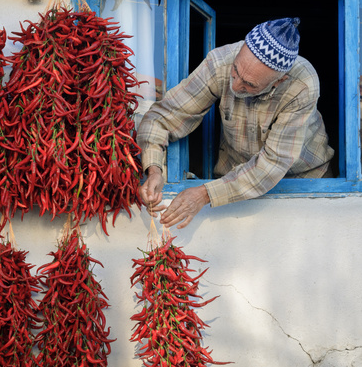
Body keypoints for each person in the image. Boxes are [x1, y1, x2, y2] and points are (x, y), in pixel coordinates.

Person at [137, 17, 334, 228]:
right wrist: (154, 168)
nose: (236, 84)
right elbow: (163, 116)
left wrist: (204, 194)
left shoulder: (302, 85)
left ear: (279, 81)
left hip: (302, 178)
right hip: (233, 179)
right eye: (236, 70)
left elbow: (272, 165)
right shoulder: (221, 62)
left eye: (249, 84)